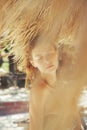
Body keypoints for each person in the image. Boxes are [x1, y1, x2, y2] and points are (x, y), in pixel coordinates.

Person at [0, 0, 87, 130]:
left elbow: (78, 126)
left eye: (49, 53)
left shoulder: (65, 86)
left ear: (56, 52)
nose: (46, 61)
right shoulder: (40, 91)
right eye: (39, 57)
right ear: (33, 62)